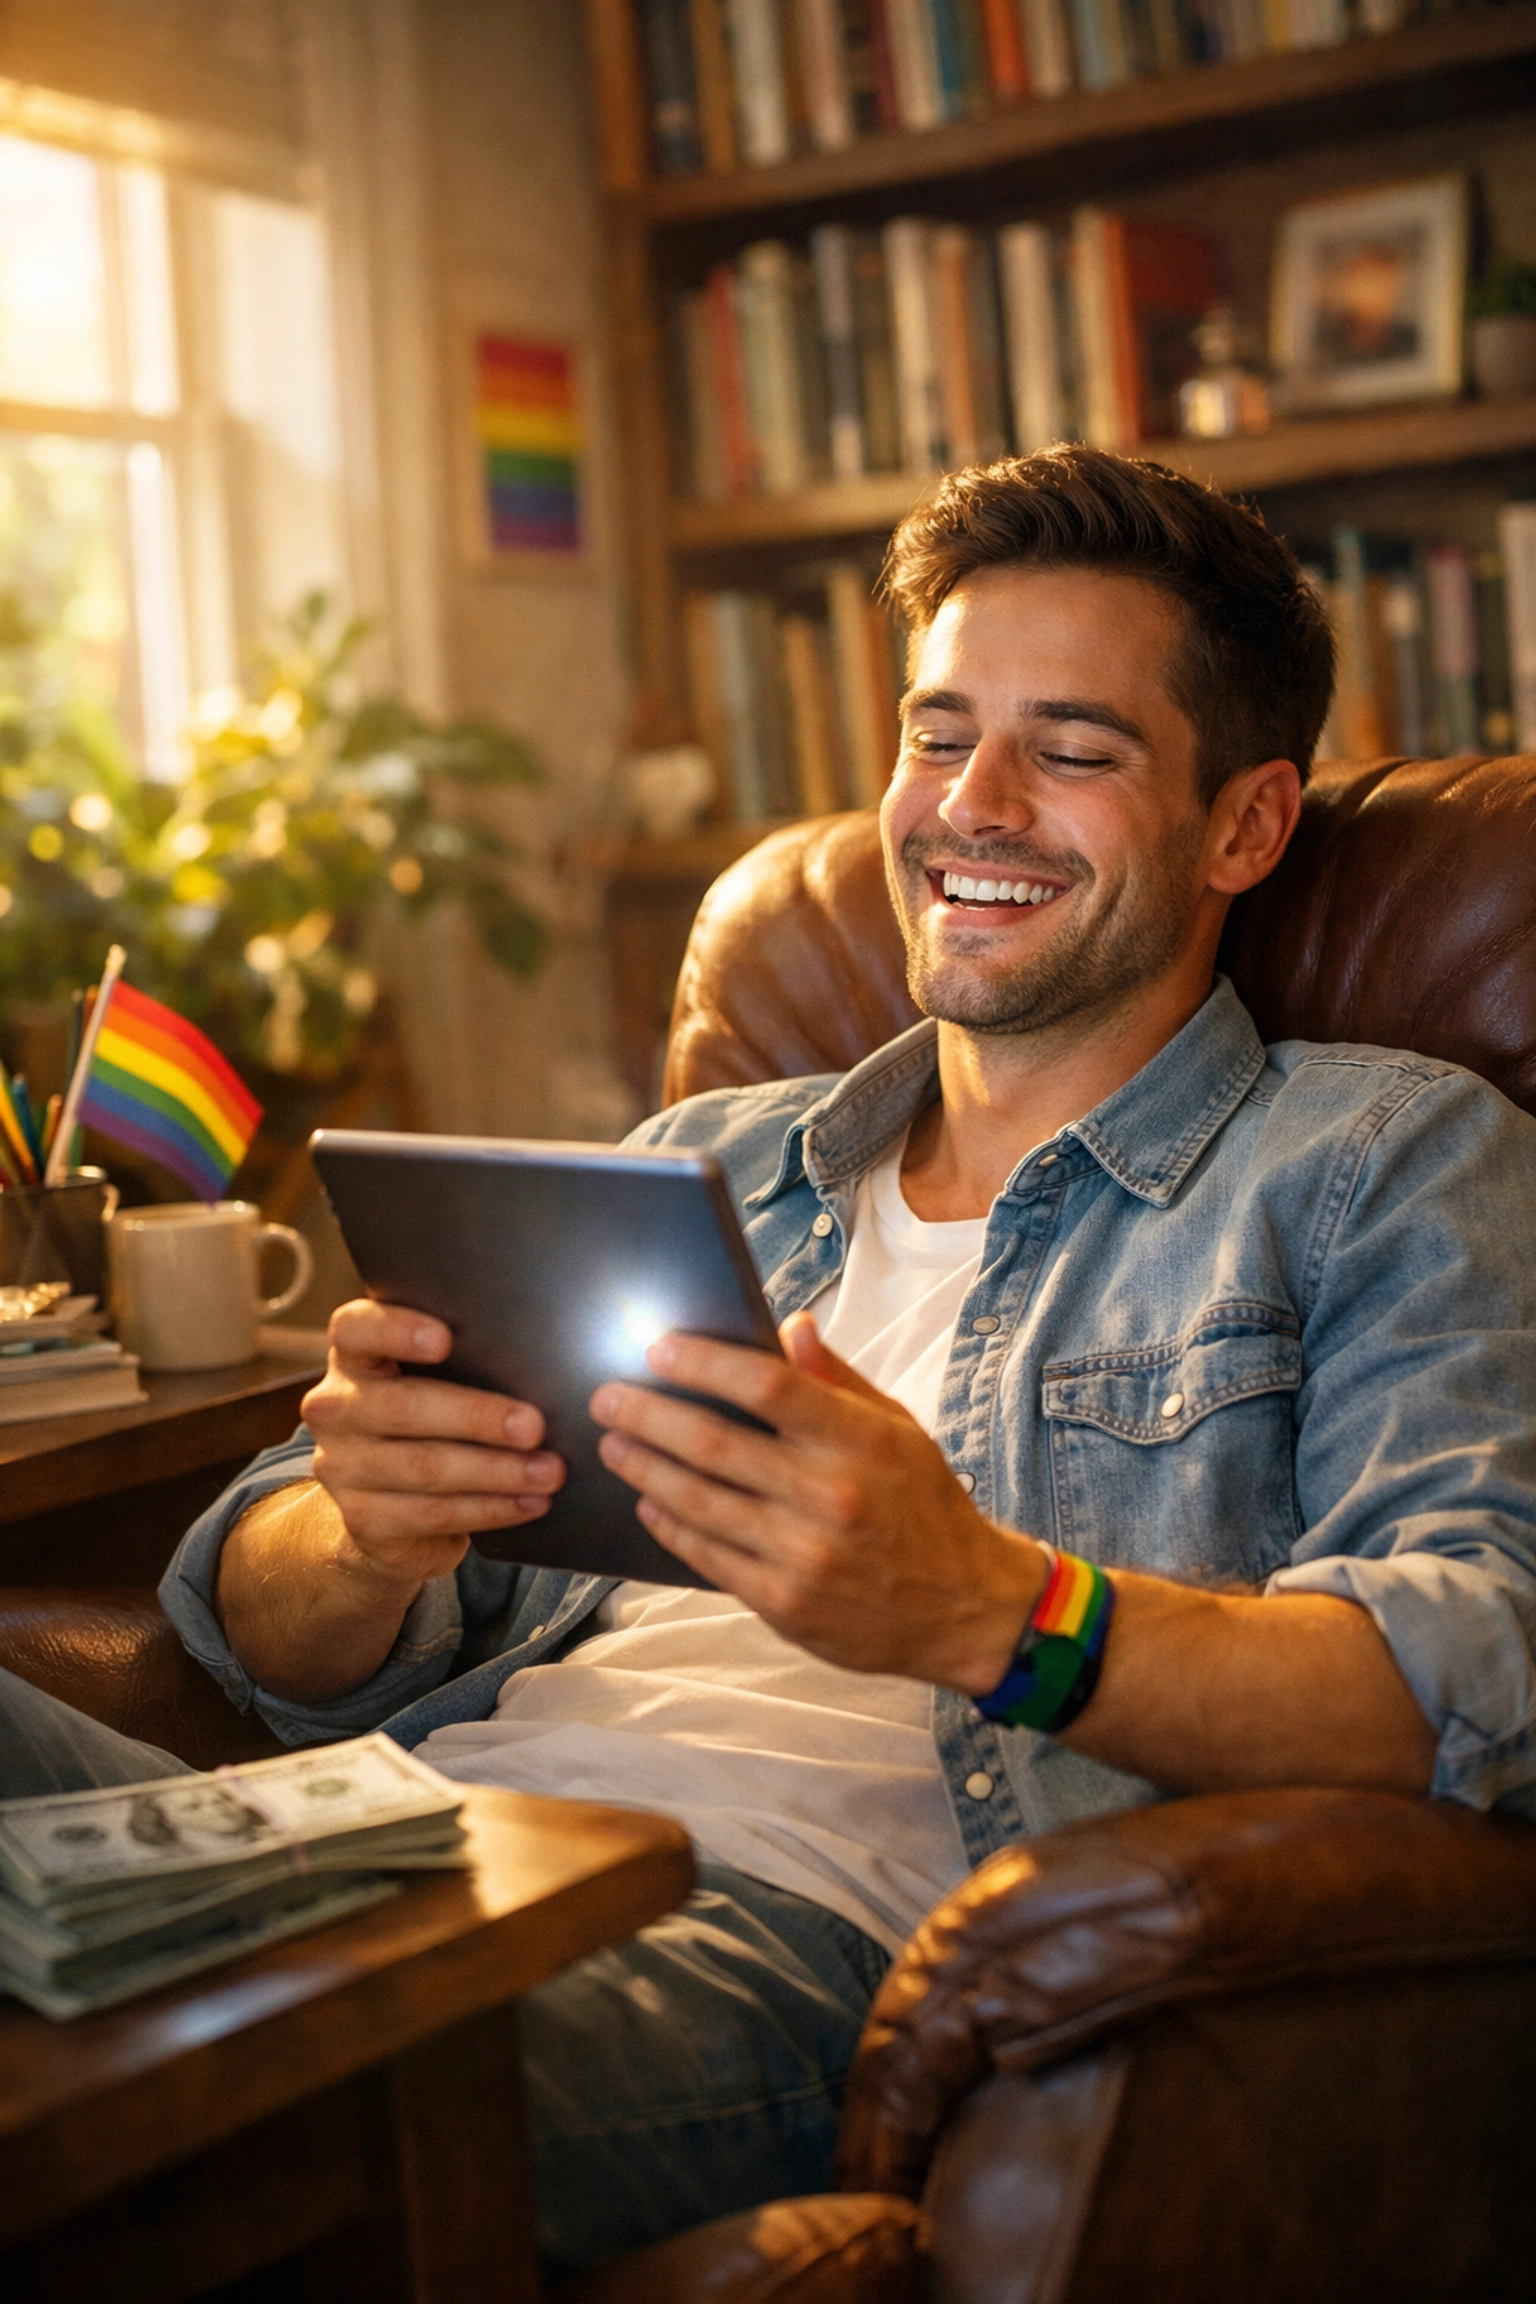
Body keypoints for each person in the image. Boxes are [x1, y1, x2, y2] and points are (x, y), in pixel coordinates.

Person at [6, 446, 1535, 2269]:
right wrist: (359, 1532)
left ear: (1245, 827)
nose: (967, 805)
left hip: (760, 1939)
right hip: (394, 1838)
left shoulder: (1379, 1158)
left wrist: (991, 1606)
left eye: (1072, 749)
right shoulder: (704, 1158)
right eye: (935, 729)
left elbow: (1472, 1670)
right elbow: (240, 1638)